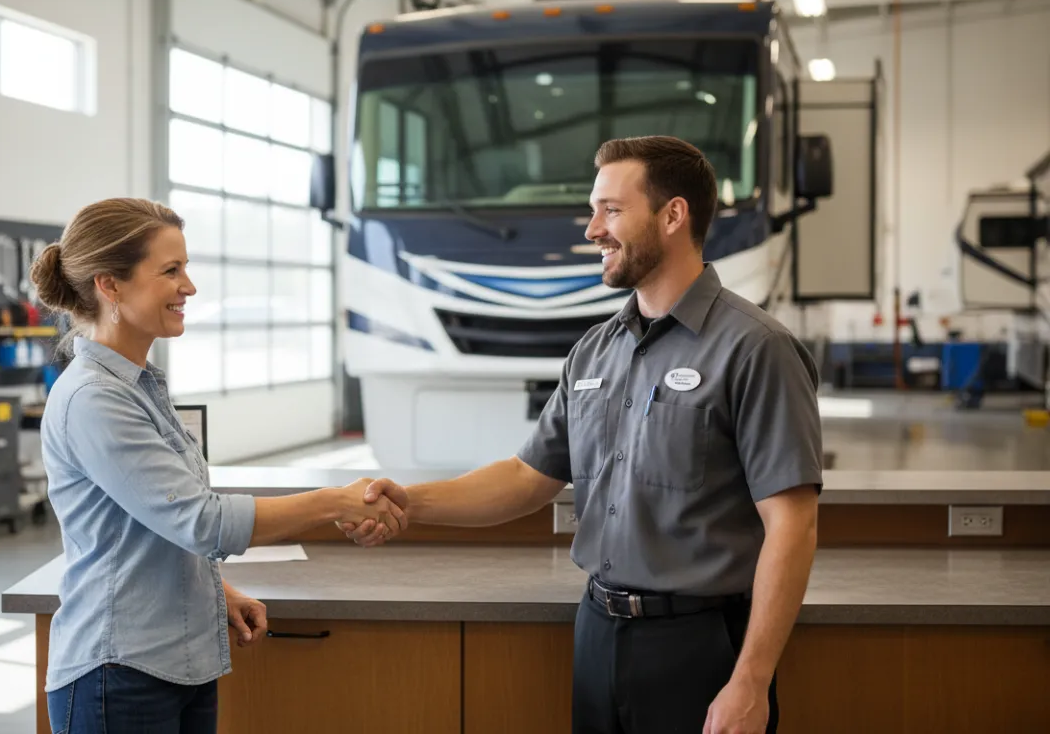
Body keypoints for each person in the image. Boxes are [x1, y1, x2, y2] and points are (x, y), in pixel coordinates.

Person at [339, 137, 823, 734]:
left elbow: (792, 526)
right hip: (597, 630)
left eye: (611, 211)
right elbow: (526, 477)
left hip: (701, 646)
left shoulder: (757, 349)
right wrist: (411, 502)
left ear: (674, 215)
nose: (593, 230)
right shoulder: (594, 351)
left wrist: (750, 681)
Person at [30, 197, 406, 734]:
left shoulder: (140, 386)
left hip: (175, 664)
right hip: (118, 673)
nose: (189, 286)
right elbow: (200, 521)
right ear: (110, 285)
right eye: (171, 270)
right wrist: (335, 502)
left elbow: (152, 524)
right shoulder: (94, 399)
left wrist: (216, 595)